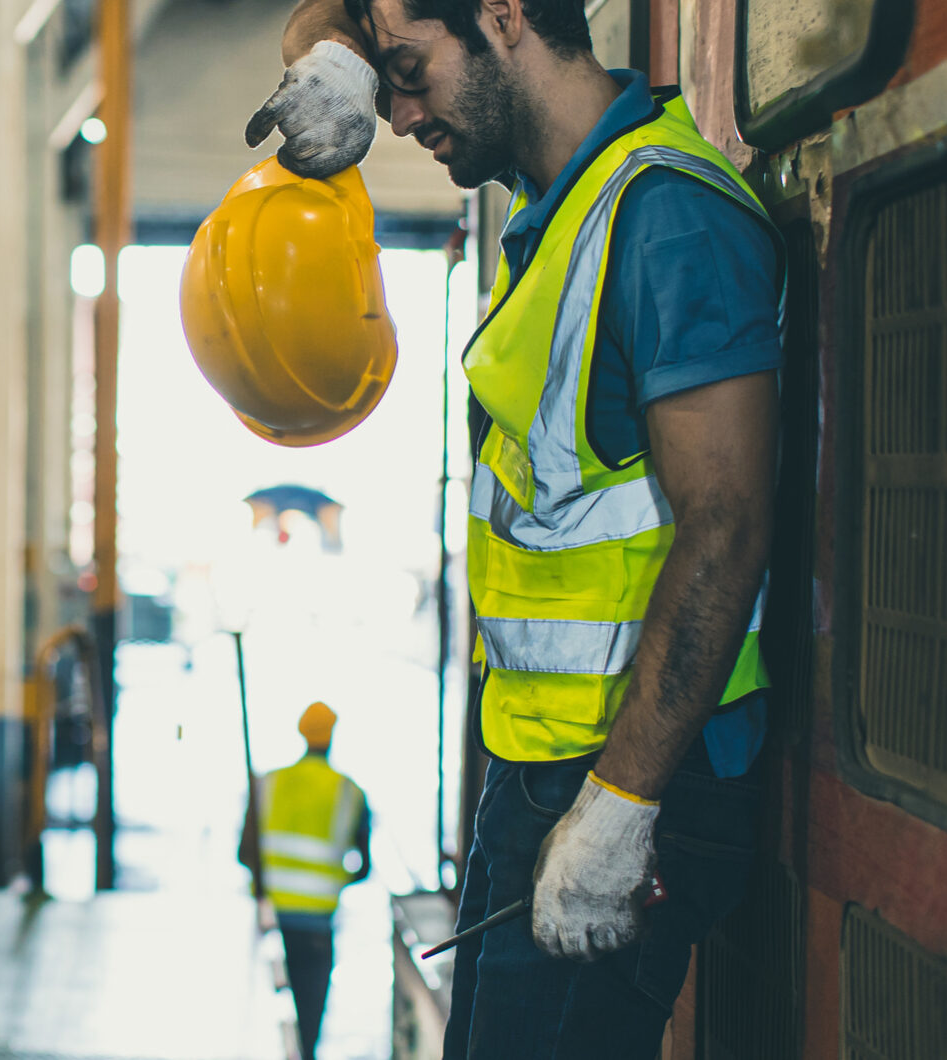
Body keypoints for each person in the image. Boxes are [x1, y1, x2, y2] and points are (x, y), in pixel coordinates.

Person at [245, 2, 782, 1057]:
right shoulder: (555, 213)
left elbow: (725, 527)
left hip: (632, 781)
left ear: (500, 15)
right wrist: (341, 61)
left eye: (407, 72)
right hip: (540, 772)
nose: (397, 116)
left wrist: (620, 805)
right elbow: (320, 12)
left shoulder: (664, 217)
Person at [239, 702, 371, 1060]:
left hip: (271, 920)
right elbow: (364, 868)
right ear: (331, 737)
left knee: (269, 1015)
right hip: (317, 924)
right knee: (308, 1021)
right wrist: (336, 881)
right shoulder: (350, 792)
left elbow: (243, 854)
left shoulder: (266, 783)